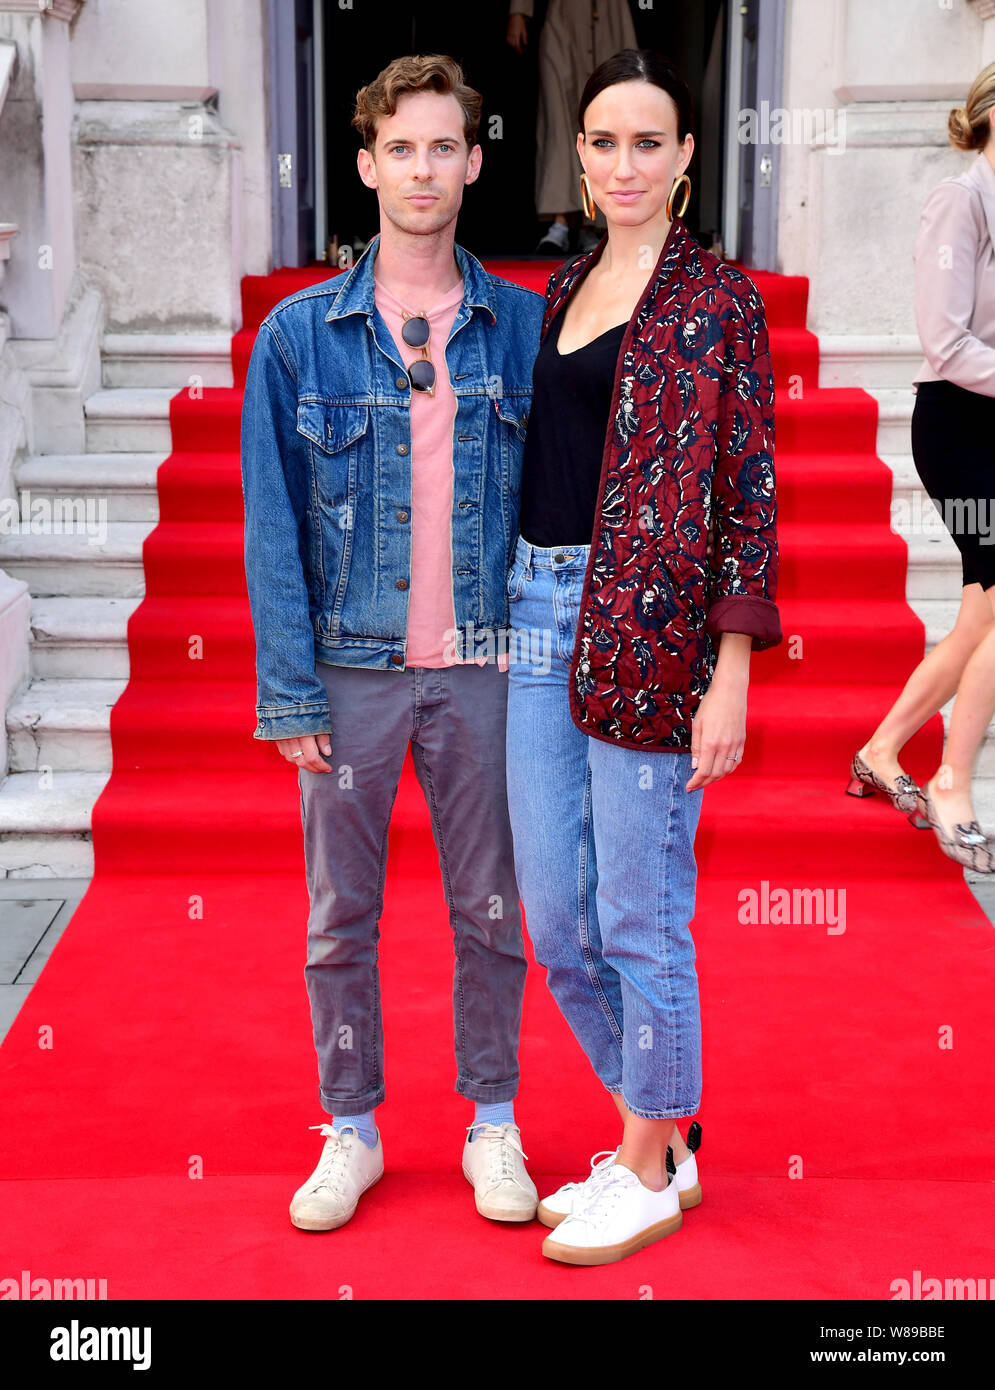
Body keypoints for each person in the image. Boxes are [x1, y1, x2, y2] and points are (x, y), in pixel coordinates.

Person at [240, 53, 546, 1231]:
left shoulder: (522, 327)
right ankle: (353, 1128)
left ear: (474, 163)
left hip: (481, 665)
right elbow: (273, 527)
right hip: (350, 668)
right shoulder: (298, 336)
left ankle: (493, 1122)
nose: (422, 169)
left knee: (488, 907)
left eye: (443, 147)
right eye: (399, 148)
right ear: (366, 166)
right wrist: (289, 694)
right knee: (337, 916)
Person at [504, 48, 781, 1266]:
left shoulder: (718, 301)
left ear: (682, 159)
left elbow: (748, 493)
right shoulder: (559, 287)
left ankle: (642, 1159)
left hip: (652, 633)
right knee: (554, 915)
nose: (624, 163)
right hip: (533, 608)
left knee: (639, 913)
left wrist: (732, 665)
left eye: (647, 142)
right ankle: (663, 1133)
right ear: (578, 153)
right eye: (603, 141)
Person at [848, 61, 995, 874]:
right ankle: (951, 780)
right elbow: (946, 344)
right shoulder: (959, 201)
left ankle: (880, 750)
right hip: (959, 428)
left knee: (980, 617)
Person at [507, 0, 637, 254]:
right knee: (558, 121)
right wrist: (519, 12)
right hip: (563, 18)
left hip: (610, 19)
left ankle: (593, 224)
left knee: (605, 119)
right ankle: (561, 221)